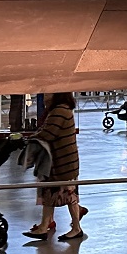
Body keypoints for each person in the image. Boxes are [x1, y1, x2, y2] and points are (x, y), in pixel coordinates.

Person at [25, 93, 86, 241]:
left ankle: (76, 228)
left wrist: (30, 139)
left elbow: (49, 133)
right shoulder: (62, 109)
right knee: (50, 194)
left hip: (63, 163)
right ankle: (44, 226)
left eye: (48, 93)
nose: (45, 95)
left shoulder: (60, 110)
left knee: (68, 196)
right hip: (63, 162)